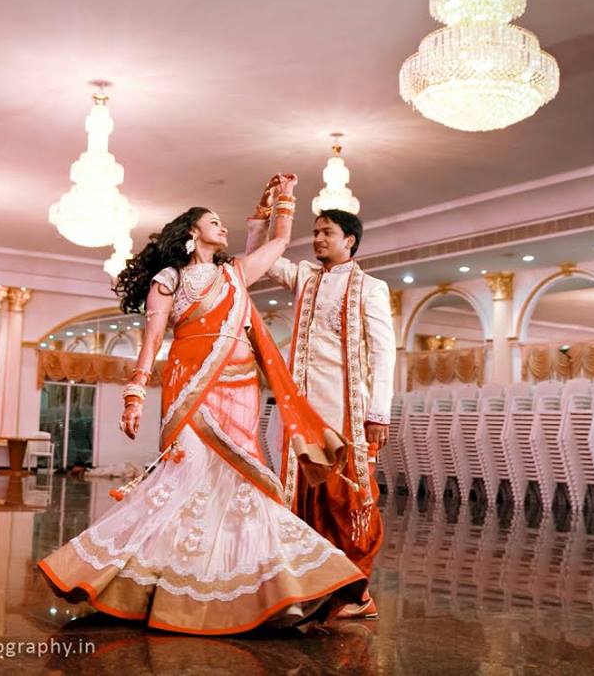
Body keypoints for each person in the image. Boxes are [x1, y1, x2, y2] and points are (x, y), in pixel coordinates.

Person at [38, 175, 369, 635]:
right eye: (215, 222)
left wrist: (281, 201)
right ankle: (150, 583)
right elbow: (152, 340)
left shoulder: (234, 272)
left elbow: (279, 240)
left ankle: (277, 590)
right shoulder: (169, 278)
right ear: (193, 232)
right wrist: (134, 393)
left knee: (243, 484)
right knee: (186, 477)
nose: (224, 228)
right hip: (191, 386)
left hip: (241, 389)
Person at [245, 201, 396, 619]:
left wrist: (379, 413)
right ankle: (312, 584)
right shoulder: (304, 278)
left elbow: (384, 353)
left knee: (346, 497)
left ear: (349, 241)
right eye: (314, 232)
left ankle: (357, 594)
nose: (316, 239)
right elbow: (262, 259)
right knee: (301, 497)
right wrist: (266, 216)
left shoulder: (371, 288)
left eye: (325, 232)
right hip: (301, 411)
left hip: (345, 410)